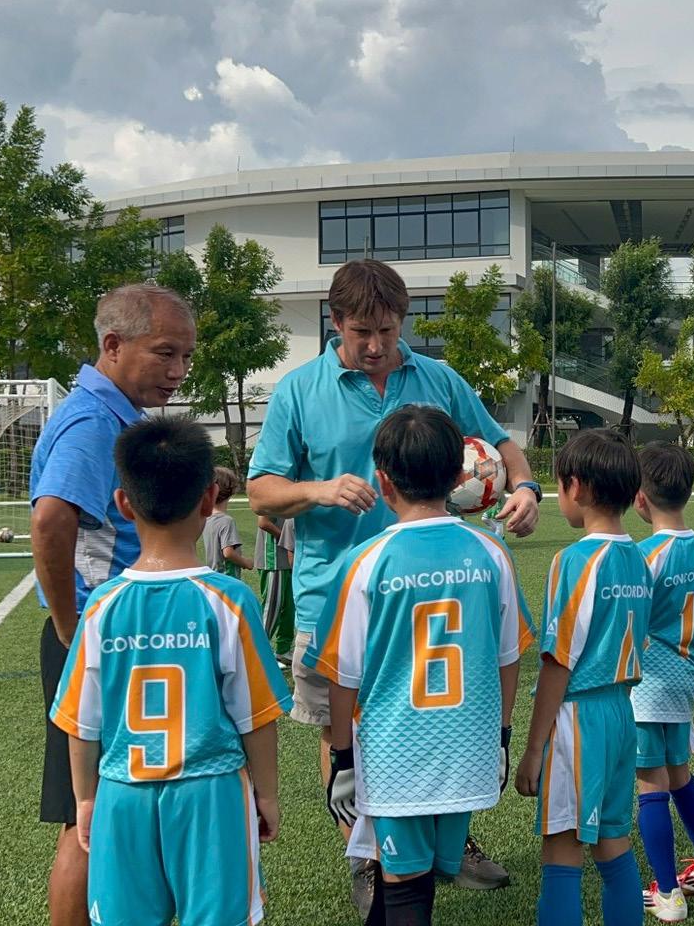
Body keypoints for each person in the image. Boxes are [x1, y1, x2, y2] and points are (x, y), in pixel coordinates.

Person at [246, 259, 541, 901]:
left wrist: (525, 487)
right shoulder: (299, 390)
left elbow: (501, 445)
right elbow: (261, 492)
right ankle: (365, 854)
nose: (377, 346)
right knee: (342, 730)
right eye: (362, 332)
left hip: (439, 591)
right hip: (336, 596)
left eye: (388, 330)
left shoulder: (437, 378)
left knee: (445, 718)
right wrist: (319, 490)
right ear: (335, 323)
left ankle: (453, 837)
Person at [49, 416, 291, 926]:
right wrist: (267, 795)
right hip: (211, 794)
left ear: (123, 503)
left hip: (123, 792)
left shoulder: (101, 606)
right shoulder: (230, 600)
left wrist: (86, 798)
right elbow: (256, 716)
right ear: (209, 499)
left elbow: (81, 724)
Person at [302, 405, 535, 926]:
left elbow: (343, 676)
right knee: (418, 874)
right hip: (468, 749)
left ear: (382, 482)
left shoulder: (364, 562)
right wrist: (501, 736)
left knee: (405, 884)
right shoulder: (491, 552)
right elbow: (509, 657)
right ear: (457, 478)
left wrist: (342, 757)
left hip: (395, 756)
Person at [29, 284, 195, 926]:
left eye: (186, 356)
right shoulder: (93, 421)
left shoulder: (112, 414)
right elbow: (51, 519)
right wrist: (72, 627)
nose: (178, 370)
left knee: (112, 809)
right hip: (101, 641)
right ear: (113, 345)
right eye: (165, 353)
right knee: (86, 817)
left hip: (115, 636)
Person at [515, 429, 650, 926]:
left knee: (562, 850)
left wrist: (534, 748)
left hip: (579, 718)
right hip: (621, 714)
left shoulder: (574, 560)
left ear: (577, 486)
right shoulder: (639, 558)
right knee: (613, 844)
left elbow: (559, 661)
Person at [630, 442, 694, 921]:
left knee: (649, 784)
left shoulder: (645, 555)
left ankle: (668, 893)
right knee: (679, 776)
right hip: (687, 675)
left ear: (639, 498)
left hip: (648, 684)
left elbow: (631, 623)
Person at [255, 514, 296, 665]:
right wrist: (288, 539)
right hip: (273, 559)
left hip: (287, 558)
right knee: (272, 606)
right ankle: (257, 651)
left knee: (289, 608)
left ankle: (283, 649)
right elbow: (263, 522)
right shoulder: (270, 498)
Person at [203, 467, 252, 578]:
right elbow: (228, 553)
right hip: (227, 576)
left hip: (214, 576)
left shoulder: (207, 519)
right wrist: (246, 562)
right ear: (232, 490)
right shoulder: (226, 521)